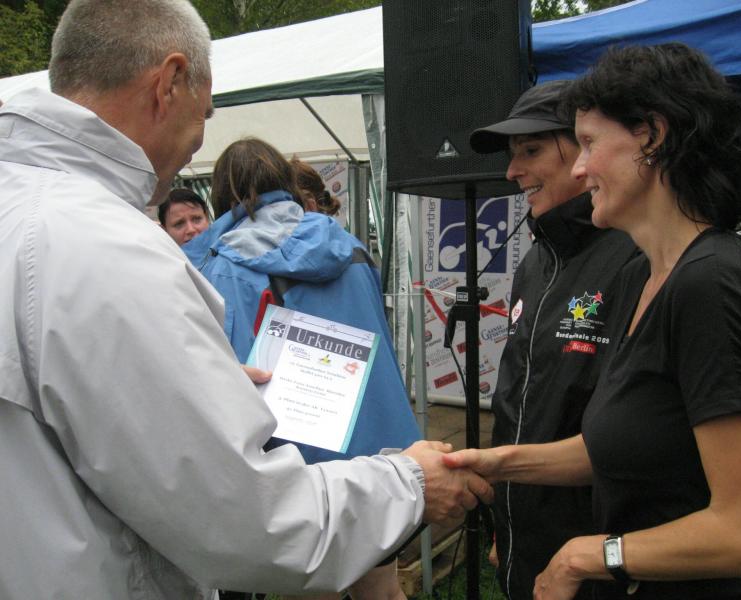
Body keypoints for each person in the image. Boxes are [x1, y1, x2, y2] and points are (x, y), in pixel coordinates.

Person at [0, 1, 493, 598]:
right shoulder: (110, 247)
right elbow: (247, 520)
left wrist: (188, 381)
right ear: (169, 82)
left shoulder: (32, 215)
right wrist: (410, 484)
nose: (198, 142)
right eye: (205, 112)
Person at [444, 43, 741, 600]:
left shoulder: (715, 283)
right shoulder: (645, 277)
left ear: (651, 137)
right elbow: (616, 444)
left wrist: (587, 555)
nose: (581, 168)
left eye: (588, 143)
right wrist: (497, 464)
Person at [183, 138, 420, 600]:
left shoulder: (222, 265)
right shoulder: (349, 245)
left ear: (222, 193)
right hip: (380, 447)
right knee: (382, 589)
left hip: (304, 469)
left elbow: (230, 375)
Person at [468, 81, 638, 600]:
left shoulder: (638, 258)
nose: (512, 171)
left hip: (600, 555)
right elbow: (517, 400)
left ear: (586, 152)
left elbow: (638, 431)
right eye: (512, 154)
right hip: (527, 542)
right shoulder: (537, 261)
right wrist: (506, 519)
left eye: (531, 151)